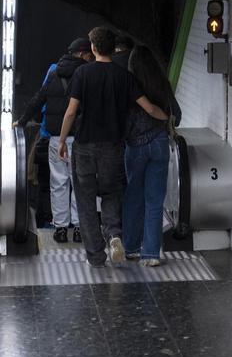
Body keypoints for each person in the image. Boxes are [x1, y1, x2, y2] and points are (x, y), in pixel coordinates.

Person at [59, 26, 169, 268]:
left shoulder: (82, 74)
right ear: (112, 48)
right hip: (113, 147)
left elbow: (70, 112)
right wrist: (165, 119)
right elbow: (149, 108)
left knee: (85, 199)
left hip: (85, 146)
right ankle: (115, 235)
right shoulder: (124, 77)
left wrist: (61, 141)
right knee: (111, 194)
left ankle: (96, 256)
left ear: (94, 48)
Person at [16, 37, 92, 243]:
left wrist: (21, 121)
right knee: (80, 184)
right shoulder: (86, 73)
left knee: (58, 183)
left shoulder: (53, 73)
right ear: (83, 54)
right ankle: (78, 228)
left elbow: (38, 99)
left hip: (55, 137)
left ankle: (60, 228)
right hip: (80, 138)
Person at [123, 45, 181, 267]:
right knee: (155, 200)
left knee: (133, 198)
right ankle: (151, 254)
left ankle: (131, 248)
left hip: (135, 148)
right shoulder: (162, 85)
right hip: (159, 144)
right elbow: (178, 115)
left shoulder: (129, 84)